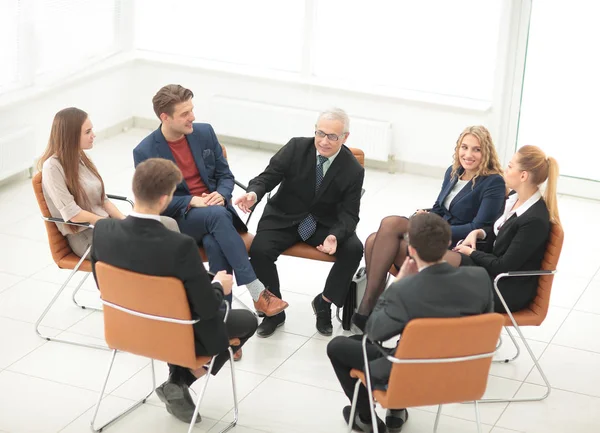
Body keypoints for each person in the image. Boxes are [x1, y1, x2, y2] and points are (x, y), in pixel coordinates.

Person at [90, 158, 258, 425]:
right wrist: (219, 287)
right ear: (166, 199)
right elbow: (206, 307)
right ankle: (181, 380)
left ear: (134, 190)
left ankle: (176, 382)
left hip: (126, 330)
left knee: (182, 314)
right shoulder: (179, 245)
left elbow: (103, 284)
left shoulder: (102, 230)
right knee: (247, 320)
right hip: (174, 334)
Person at [327, 213, 493, 433]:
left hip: (410, 374)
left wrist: (397, 284)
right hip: (462, 374)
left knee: (339, 346)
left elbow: (374, 332)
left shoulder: (406, 290)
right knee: (401, 343)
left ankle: (366, 418)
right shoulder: (480, 278)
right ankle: (396, 411)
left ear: (411, 250)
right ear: (449, 245)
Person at [133, 84, 287, 317]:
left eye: (192, 110)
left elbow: (225, 176)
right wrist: (191, 201)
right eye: (185, 114)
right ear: (165, 117)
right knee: (217, 216)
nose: (192, 117)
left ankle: (223, 326)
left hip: (216, 214)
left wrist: (221, 194)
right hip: (181, 220)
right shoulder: (145, 151)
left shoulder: (204, 133)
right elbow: (153, 200)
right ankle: (257, 291)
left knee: (215, 242)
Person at [352, 125, 505, 331]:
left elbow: (478, 226)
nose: (468, 155)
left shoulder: (493, 182)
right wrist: (425, 215)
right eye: (464, 147)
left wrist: (436, 228)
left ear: (486, 152)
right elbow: (439, 208)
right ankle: (370, 312)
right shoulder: (453, 173)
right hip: (437, 235)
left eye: (476, 149)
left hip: (459, 246)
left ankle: (369, 310)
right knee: (373, 240)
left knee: (390, 224)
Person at [235, 108, 365, 337]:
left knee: (354, 249)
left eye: (332, 136)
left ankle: (324, 302)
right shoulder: (296, 147)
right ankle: (274, 311)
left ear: (345, 137)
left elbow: (349, 213)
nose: (324, 141)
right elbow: (268, 176)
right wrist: (254, 194)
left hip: (324, 224)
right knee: (260, 249)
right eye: (320, 133)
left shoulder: (352, 169)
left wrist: (335, 235)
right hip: (284, 216)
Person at [448, 145, 561, 313]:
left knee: (440, 277)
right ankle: (417, 333)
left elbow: (503, 265)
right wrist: (477, 233)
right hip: (490, 272)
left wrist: (470, 253)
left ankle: (419, 332)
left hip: (504, 289)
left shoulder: (534, 219)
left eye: (510, 166)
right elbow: (499, 233)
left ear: (523, 175)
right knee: (437, 265)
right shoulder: (513, 199)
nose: (505, 171)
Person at [39, 107, 127, 257]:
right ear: (70, 136)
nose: (93, 135)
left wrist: (125, 222)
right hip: (86, 237)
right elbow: (73, 214)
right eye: (87, 132)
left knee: (159, 230)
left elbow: (103, 200)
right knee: (143, 245)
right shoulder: (53, 168)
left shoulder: (81, 158)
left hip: (103, 226)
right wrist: (108, 225)